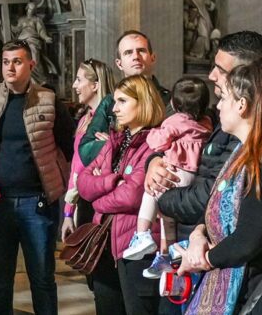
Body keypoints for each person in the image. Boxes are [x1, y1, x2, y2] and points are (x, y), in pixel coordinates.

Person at [178, 57, 262, 314]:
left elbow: (247, 240)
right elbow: (216, 212)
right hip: (244, 286)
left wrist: (202, 259)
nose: (217, 106)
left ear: (242, 105)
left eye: (224, 97)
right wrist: (198, 235)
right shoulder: (243, 155)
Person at [0, 39, 75, 315]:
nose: (10, 67)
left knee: (42, 279)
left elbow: (68, 148)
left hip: (36, 202)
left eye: (17, 62)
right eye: (6, 62)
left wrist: (65, 195)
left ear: (30, 64)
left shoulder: (49, 99)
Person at [149, 31, 262, 228]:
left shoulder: (248, 129)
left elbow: (213, 195)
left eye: (220, 69)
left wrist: (160, 196)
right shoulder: (218, 117)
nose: (211, 76)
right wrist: (154, 161)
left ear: (246, 76)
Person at [77, 75, 166, 315]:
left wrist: (99, 196)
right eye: (115, 102)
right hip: (105, 244)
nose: (114, 109)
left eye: (122, 101)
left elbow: (132, 196)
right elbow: (83, 182)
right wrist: (111, 181)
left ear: (143, 102)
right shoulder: (116, 140)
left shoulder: (155, 142)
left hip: (136, 248)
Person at [122, 78, 213, 270]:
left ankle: (142, 234)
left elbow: (157, 143)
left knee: (151, 193)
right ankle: (169, 254)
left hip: (176, 170)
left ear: (173, 103)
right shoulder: (207, 123)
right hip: (193, 175)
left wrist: (154, 131)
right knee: (168, 215)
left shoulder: (176, 120)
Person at [79, 30, 171, 167]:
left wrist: (112, 144)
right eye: (128, 52)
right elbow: (86, 152)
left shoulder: (170, 100)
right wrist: (115, 144)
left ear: (153, 57)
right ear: (119, 63)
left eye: (141, 51)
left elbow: (171, 148)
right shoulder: (110, 102)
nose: (136, 56)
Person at [62, 58, 116, 241]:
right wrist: (69, 212)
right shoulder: (86, 119)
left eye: (79, 80)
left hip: (101, 199)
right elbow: (76, 166)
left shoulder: (113, 119)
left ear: (95, 85)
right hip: (83, 196)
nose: (74, 85)